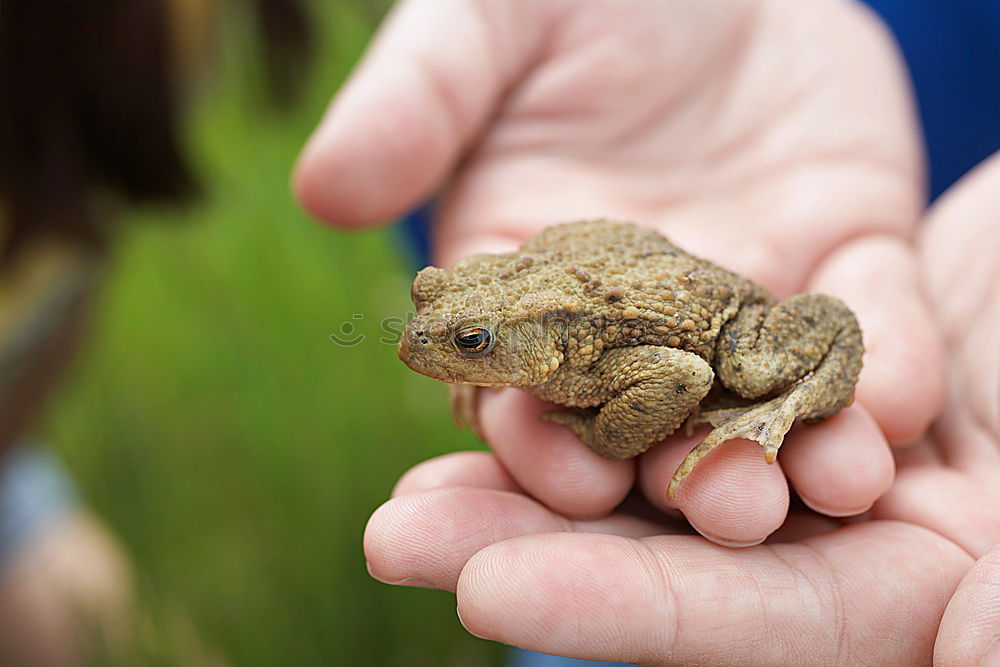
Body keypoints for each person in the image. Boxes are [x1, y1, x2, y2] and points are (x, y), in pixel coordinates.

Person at [293, 0, 1000, 663]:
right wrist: (472, 359)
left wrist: (607, 433)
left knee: (750, 379)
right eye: (433, 306)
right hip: (611, 273)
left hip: (714, 317)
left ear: (537, 339)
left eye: (471, 341)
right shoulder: (523, 317)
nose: (420, 341)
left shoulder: (586, 356)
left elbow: (687, 373)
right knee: (570, 600)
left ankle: (789, 398)